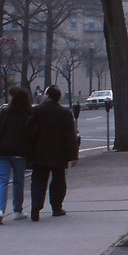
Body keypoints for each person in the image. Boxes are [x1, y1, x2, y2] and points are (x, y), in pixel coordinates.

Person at [0, 86, 37, 225]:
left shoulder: (3, 113)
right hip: (19, 152)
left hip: (1, 151)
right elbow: (32, 135)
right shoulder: (27, 114)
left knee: (2, 181)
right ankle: (17, 210)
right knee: (18, 181)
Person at [30, 85, 79, 220]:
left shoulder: (36, 111)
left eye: (45, 93)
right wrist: (73, 155)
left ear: (48, 96)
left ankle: (36, 204)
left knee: (38, 180)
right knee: (58, 180)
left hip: (39, 151)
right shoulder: (65, 113)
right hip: (59, 152)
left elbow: (29, 132)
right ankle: (56, 207)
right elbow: (70, 135)